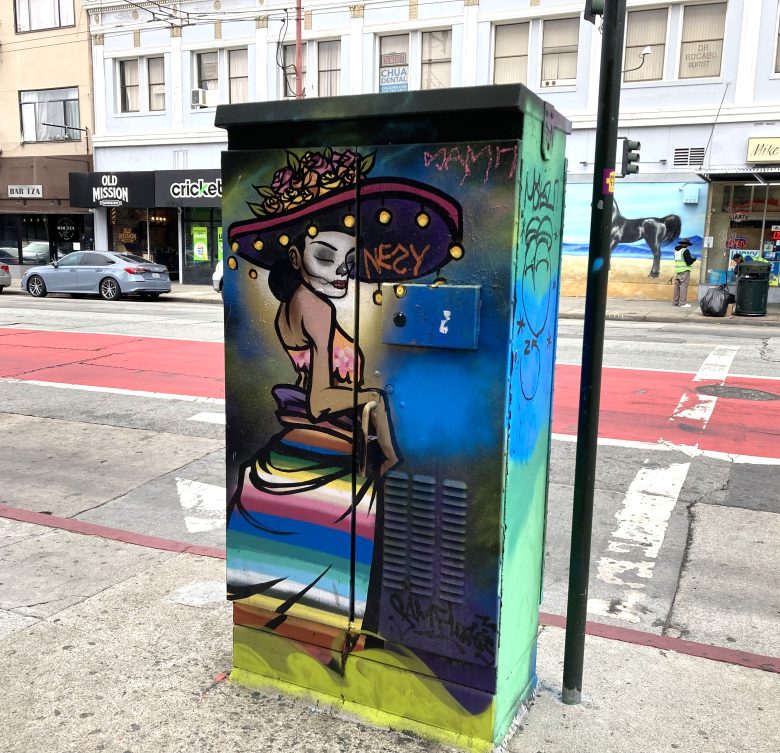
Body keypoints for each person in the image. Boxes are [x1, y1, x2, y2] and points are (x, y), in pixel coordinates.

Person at [223, 147, 464, 637]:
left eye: (348, 261)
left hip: (316, 445)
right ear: (296, 256)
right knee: (328, 568)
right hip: (325, 448)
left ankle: (307, 640)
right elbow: (318, 401)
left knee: (302, 575)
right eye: (325, 256)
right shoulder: (319, 309)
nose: (339, 271)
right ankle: (327, 642)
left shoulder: (294, 302)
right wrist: (370, 396)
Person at [673, 237, 696, 307]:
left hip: (678, 271)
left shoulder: (676, 250)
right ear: (686, 244)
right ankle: (682, 303)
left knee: (677, 287)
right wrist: (693, 259)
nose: (688, 246)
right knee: (683, 287)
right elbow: (688, 262)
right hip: (684, 271)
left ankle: (675, 302)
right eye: (688, 244)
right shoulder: (685, 251)